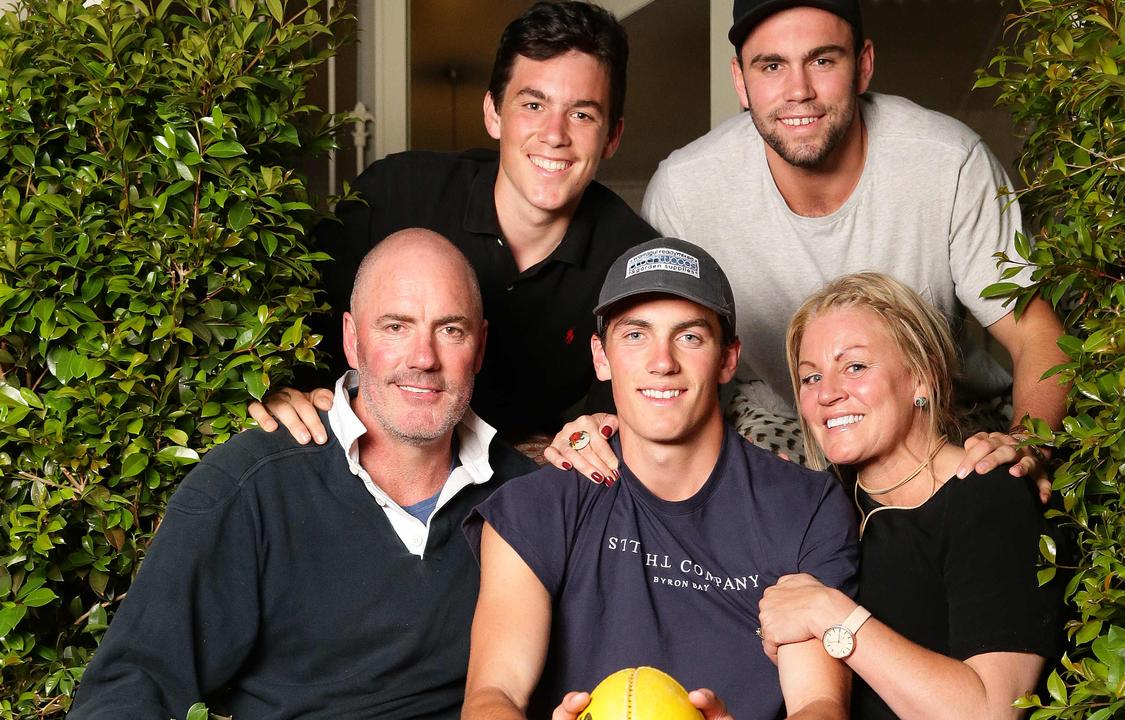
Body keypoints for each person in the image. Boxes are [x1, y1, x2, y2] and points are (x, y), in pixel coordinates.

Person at [69, 230, 537, 719]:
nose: (423, 358)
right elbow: (128, 688)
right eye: (396, 327)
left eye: (450, 330)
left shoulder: (527, 496)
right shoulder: (252, 485)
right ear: (352, 341)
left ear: (480, 346)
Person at [639, 0, 1068, 476]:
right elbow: (652, 358)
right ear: (740, 80)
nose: (798, 90)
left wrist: (1028, 446)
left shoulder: (949, 162)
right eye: (772, 66)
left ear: (863, 66)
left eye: (822, 60)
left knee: (994, 501)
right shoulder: (685, 190)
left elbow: (1037, 334)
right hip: (785, 426)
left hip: (947, 419)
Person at [461, 238, 859, 720]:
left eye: (689, 336)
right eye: (635, 335)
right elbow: (491, 698)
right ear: (601, 357)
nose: (662, 361)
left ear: (728, 359)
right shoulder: (534, 508)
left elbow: (818, 704)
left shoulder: (805, 506)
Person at [250, 1, 655, 449]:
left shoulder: (632, 264)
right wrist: (279, 386)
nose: (555, 134)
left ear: (612, 135)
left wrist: (575, 444)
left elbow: (618, 424)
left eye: (582, 114)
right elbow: (291, 320)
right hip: (362, 456)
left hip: (513, 488)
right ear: (493, 114)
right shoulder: (394, 195)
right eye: (534, 104)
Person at [757, 272, 1059, 719]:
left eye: (855, 367)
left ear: (922, 379)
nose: (828, 394)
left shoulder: (989, 494)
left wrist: (829, 614)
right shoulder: (817, 507)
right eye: (811, 377)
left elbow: (989, 711)